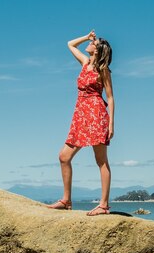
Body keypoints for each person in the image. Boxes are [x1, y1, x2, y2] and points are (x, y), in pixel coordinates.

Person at [46, 30, 115, 215]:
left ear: (98, 50)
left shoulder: (103, 70)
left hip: (96, 114)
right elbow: (70, 44)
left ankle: (103, 205)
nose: (92, 42)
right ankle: (66, 200)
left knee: (101, 161)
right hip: (80, 115)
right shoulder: (85, 63)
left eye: (95, 42)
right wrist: (86, 37)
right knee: (64, 157)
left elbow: (110, 97)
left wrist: (111, 125)